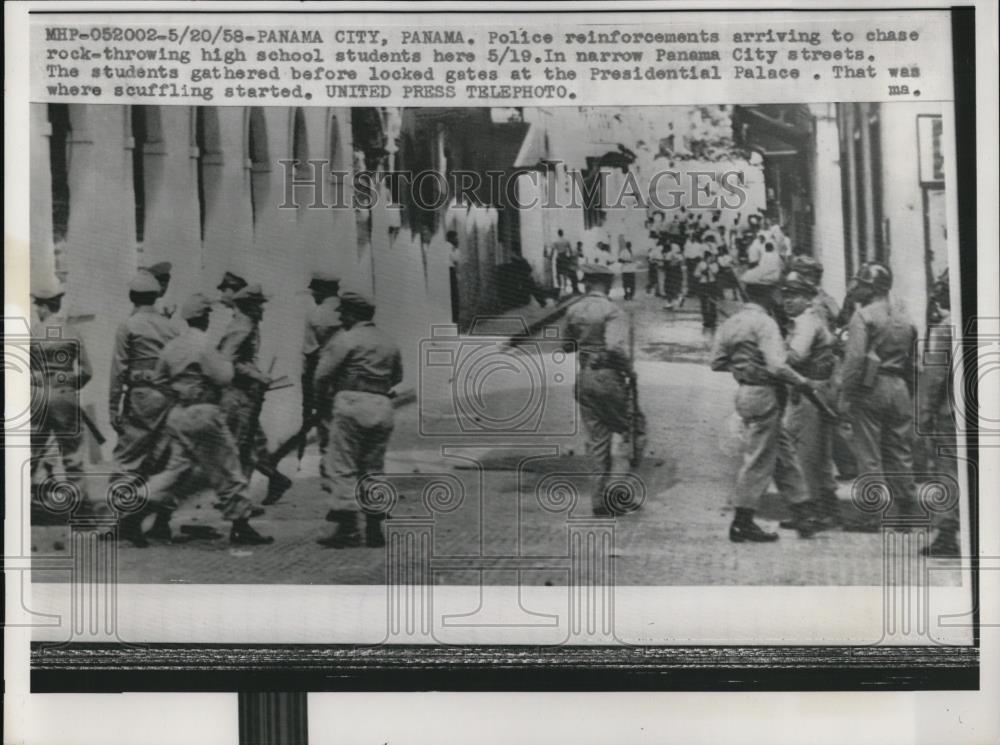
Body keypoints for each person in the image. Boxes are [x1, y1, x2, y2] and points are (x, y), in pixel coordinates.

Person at [135, 293, 273, 547]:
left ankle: (135, 510)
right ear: (205, 317)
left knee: (175, 471)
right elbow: (224, 377)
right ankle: (241, 525)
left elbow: (159, 380)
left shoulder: (172, 346)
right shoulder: (204, 346)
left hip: (178, 413)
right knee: (230, 467)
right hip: (204, 412)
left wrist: (180, 388)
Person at [710, 281, 824, 542]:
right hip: (765, 394)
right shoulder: (765, 323)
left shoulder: (732, 322)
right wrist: (802, 382)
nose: (781, 297)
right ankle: (742, 521)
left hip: (745, 392)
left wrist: (743, 367)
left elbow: (716, 362)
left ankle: (803, 512)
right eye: (778, 292)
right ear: (769, 293)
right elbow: (776, 366)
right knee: (759, 459)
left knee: (784, 455)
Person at [314, 291, 403, 548]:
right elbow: (397, 376)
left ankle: (347, 529)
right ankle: (375, 528)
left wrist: (321, 403)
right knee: (373, 468)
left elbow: (321, 376)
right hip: (381, 404)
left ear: (353, 313)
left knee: (343, 466)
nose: (341, 317)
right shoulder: (388, 341)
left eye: (344, 312)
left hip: (351, 403)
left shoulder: (346, 339)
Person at [838, 263, 919, 531]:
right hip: (900, 387)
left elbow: (854, 361)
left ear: (871, 288)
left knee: (868, 452)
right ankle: (907, 511)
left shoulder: (863, 317)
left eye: (861, 284)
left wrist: (845, 396)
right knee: (899, 450)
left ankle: (872, 514)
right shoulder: (906, 318)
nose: (856, 288)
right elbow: (912, 363)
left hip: (871, 388)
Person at [561, 264, 643, 516]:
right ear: (607, 284)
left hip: (584, 377)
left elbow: (566, 346)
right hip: (609, 378)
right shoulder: (612, 311)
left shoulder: (574, 310)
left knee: (597, 440)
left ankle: (599, 500)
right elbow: (615, 348)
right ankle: (616, 493)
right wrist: (629, 370)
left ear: (587, 283)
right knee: (629, 432)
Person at [217, 283, 291, 502]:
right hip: (237, 395)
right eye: (259, 305)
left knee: (250, 444)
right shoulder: (241, 326)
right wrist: (258, 376)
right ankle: (245, 497)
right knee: (241, 447)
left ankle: (243, 499)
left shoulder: (247, 324)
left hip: (246, 394)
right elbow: (228, 361)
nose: (263, 310)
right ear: (249, 306)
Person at [779, 272, 841, 528]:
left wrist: (772, 349)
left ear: (807, 298)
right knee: (820, 452)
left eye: (794, 296)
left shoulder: (805, 322)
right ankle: (829, 509)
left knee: (802, 451)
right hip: (821, 388)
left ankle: (811, 512)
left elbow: (795, 357)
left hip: (808, 391)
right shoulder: (813, 316)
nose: (788, 301)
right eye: (786, 296)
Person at [29, 283, 96, 519]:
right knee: (73, 454)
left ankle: (20, 508)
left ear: (45, 306)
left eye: (38, 304)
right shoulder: (72, 332)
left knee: (31, 452)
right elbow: (87, 371)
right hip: (65, 396)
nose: (37, 308)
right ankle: (82, 514)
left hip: (37, 396)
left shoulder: (34, 332)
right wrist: (67, 385)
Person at [108, 271, 179, 480]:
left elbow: (118, 369)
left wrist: (113, 407)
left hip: (141, 398)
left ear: (132, 296)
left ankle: (120, 504)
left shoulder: (128, 325)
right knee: (158, 454)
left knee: (127, 456)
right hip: (167, 396)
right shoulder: (169, 326)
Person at [917, 269, 959, 556]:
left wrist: (924, 412)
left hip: (952, 412)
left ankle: (947, 534)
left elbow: (935, 375)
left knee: (949, 471)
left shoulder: (947, 327)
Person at [301, 272, 341, 474]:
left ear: (323, 291)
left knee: (325, 421)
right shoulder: (350, 311)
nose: (313, 295)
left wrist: (308, 393)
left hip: (325, 377)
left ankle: (329, 463)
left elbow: (310, 352)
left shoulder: (315, 315)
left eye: (314, 291)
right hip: (350, 378)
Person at [693, 250, 722, 332]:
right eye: (709, 257)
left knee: (713, 302)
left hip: (712, 283)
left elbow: (716, 272)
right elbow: (696, 274)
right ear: (706, 257)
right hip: (703, 284)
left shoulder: (714, 264)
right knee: (704, 302)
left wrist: (709, 269)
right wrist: (702, 273)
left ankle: (713, 320)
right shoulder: (700, 264)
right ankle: (706, 320)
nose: (711, 258)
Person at [552, 229, 578, 297]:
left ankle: (561, 287)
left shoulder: (555, 241)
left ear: (558, 233)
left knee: (559, 273)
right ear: (563, 233)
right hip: (565, 257)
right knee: (566, 272)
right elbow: (570, 250)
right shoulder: (567, 240)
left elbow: (553, 250)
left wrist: (550, 257)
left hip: (559, 257)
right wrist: (571, 258)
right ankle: (566, 286)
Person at [446, 230, 461, 323]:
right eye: (455, 237)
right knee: (454, 296)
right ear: (451, 238)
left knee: (453, 296)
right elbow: (456, 259)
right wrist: (456, 248)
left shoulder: (447, 246)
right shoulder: (450, 247)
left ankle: (454, 319)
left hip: (450, 271)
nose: (457, 239)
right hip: (450, 271)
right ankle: (455, 319)